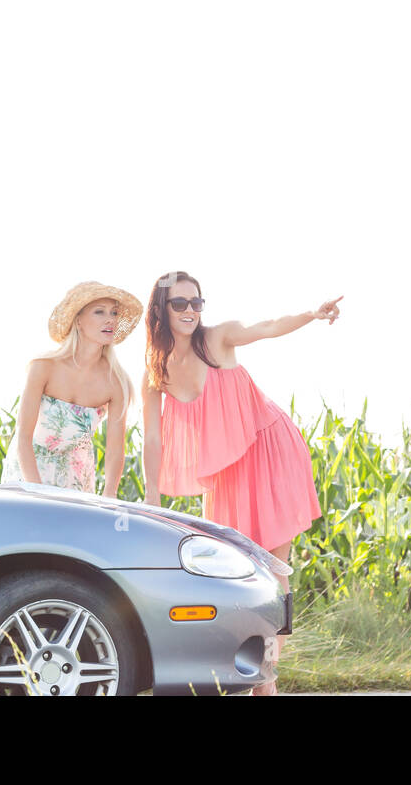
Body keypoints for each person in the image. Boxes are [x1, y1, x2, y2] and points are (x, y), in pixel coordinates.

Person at [141, 270, 340, 694]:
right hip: (227, 474)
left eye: (197, 302)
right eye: (180, 303)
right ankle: (253, 672)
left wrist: (312, 313)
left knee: (272, 569)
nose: (191, 311)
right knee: (234, 573)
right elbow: (153, 437)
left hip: (270, 448)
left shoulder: (217, 338)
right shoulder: (156, 371)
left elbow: (265, 328)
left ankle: (265, 677)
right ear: (161, 309)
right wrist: (152, 493)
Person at [0, 281, 143, 496]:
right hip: (28, 472)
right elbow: (23, 436)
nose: (110, 319)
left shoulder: (117, 382)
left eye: (114, 313)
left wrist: (109, 494)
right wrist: (36, 491)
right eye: (99, 312)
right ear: (78, 321)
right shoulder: (43, 367)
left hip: (76, 480)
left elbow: (115, 451)